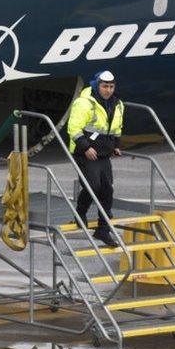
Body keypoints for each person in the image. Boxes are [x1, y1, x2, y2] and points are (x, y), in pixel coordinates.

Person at [67, 70, 124, 247]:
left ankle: (103, 229)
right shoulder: (84, 103)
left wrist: (116, 145)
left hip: (104, 152)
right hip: (84, 152)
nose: (108, 90)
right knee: (93, 186)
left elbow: (116, 128)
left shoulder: (117, 104)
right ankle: (80, 212)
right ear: (96, 85)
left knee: (107, 190)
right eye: (105, 86)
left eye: (111, 87)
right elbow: (74, 128)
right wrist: (86, 148)